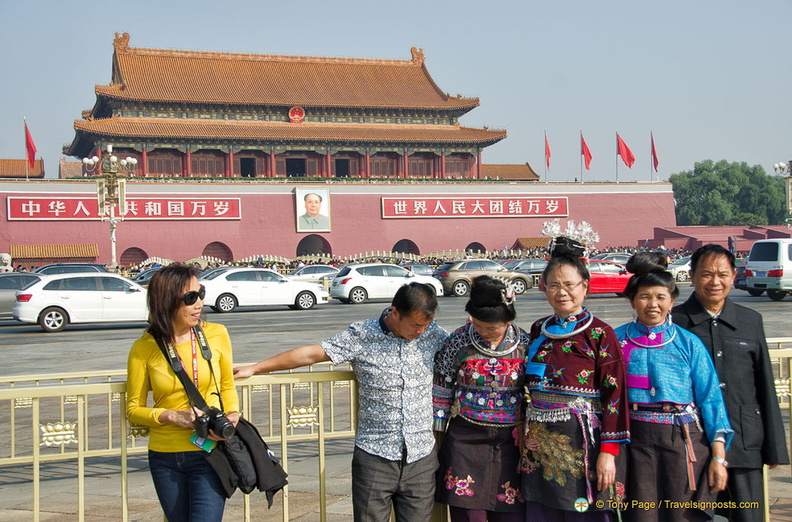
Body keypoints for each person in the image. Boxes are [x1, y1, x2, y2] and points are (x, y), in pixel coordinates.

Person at [234, 282, 449, 522]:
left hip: (420, 456)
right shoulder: (362, 335)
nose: (420, 331)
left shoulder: (433, 335)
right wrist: (257, 367)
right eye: (415, 325)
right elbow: (310, 354)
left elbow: (461, 349)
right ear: (395, 312)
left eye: (425, 325)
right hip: (375, 455)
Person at [672, 244, 789, 522]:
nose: (715, 281)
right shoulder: (674, 323)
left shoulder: (750, 321)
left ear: (734, 276)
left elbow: (764, 385)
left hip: (743, 441)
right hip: (692, 443)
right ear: (691, 276)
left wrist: (774, 447)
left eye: (722, 274)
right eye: (706, 274)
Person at [615, 252, 733, 521]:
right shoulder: (616, 341)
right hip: (634, 441)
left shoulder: (688, 343)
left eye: (660, 297)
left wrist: (719, 458)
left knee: (680, 515)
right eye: (644, 296)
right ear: (632, 300)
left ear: (672, 300)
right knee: (640, 515)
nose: (652, 304)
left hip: (681, 440)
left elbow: (711, 399)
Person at [519, 249, 630, 521]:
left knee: (581, 510)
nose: (561, 292)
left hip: (581, 443)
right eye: (553, 285)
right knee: (543, 510)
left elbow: (615, 396)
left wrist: (608, 452)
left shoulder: (600, 333)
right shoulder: (537, 329)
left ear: (585, 287)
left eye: (569, 285)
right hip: (538, 439)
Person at [126, 263, 240, 522]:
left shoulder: (216, 334)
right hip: (165, 457)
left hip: (208, 451)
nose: (199, 303)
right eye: (190, 298)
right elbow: (133, 409)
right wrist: (171, 416)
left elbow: (226, 385)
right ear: (167, 302)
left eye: (201, 293)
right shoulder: (143, 348)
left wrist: (233, 413)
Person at [433, 276, 530, 521]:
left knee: (510, 515)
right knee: (468, 515)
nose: (485, 333)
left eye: (492, 327)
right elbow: (441, 391)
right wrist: (436, 440)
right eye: (478, 325)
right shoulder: (458, 341)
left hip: (511, 444)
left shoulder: (526, 344)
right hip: (465, 441)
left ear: (509, 319)